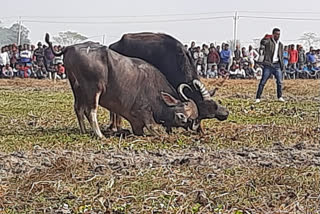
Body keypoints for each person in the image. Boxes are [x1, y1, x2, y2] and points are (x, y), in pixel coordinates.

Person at [255, 28, 285, 103]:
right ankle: (258, 97)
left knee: (279, 82)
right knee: (263, 82)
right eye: (276, 34)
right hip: (268, 65)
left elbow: (281, 56)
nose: (278, 36)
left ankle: (280, 96)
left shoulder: (280, 45)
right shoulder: (269, 42)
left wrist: (282, 67)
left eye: (279, 34)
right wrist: (266, 37)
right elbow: (262, 42)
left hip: (277, 65)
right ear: (273, 34)